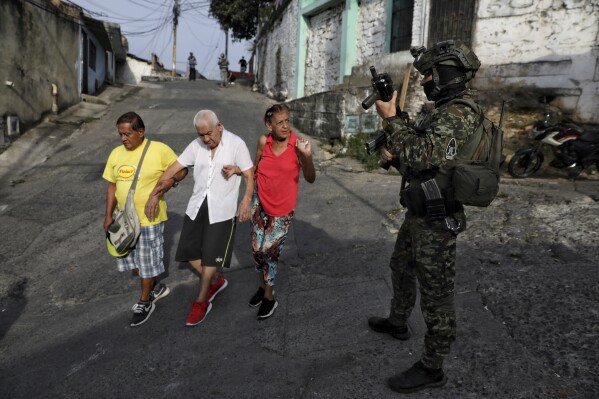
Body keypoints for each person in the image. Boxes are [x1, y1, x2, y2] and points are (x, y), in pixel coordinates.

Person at [368, 40, 483, 393]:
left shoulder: (459, 113)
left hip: (438, 218)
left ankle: (432, 367)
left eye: (429, 74)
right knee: (401, 266)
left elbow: (422, 155)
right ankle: (398, 321)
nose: (423, 81)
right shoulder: (440, 110)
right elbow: (417, 156)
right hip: (419, 211)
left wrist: (391, 121)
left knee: (437, 295)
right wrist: (394, 150)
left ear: (446, 74)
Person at [146, 110, 254, 327]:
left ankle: (202, 300)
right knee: (187, 253)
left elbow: (250, 173)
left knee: (210, 258)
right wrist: (154, 194)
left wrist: (246, 200)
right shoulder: (196, 145)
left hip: (222, 209)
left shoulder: (236, 143)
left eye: (209, 134)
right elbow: (175, 167)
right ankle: (216, 281)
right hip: (197, 206)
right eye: (201, 134)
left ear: (219, 126)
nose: (206, 139)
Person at [103, 112, 187, 327]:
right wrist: (107, 217)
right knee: (133, 264)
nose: (123, 139)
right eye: (120, 134)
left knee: (147, 262)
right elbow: (112, 186)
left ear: (141, 132)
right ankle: (156, 287)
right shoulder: (115, 154)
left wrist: (170, 182)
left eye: (127, 134)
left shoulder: (159, 150)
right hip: (124, 221)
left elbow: (182, 170)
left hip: (149, 218)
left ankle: (145, 300)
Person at [248, 104, 315, 319]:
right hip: (261, 205)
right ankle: (261, 287)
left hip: (282, 210)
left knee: (270, 252)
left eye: (287, 120)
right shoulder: (263, 142)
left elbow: (311, 178)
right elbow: (254, 169)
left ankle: (269, 296)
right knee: (257, 250)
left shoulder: (298, 146)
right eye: (280, 122)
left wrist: (307, 157)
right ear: (269, 125)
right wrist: (247, 193)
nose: (286, 126)